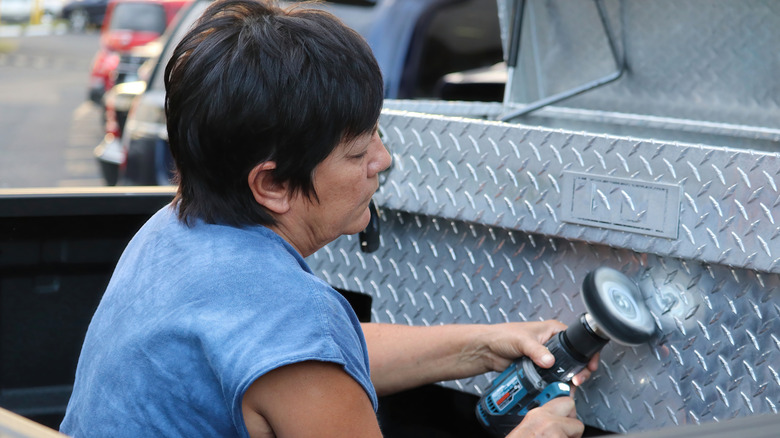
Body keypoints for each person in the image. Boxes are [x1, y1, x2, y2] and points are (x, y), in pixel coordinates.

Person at [60, 0, 598, 437]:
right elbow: (304, 350)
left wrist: (483, 343)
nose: (382, 161)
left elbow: (320, 353)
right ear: (271, 184)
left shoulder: (172, 232)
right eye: (357, 151)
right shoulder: (294, 323)